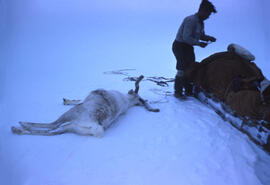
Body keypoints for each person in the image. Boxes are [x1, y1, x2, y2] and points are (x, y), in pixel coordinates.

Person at [172, 0, 217, 98]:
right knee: (182, 68)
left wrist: (208, 38)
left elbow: (200, 35)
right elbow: (186, 37)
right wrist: (199, 43)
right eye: (208, 14)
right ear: (201, 10)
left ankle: (188, 90)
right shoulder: (191, 20)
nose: (208, 17)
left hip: (188, 47)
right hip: (180, 46)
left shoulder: (200, 22)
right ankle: (178, 92)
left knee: (191, 67)